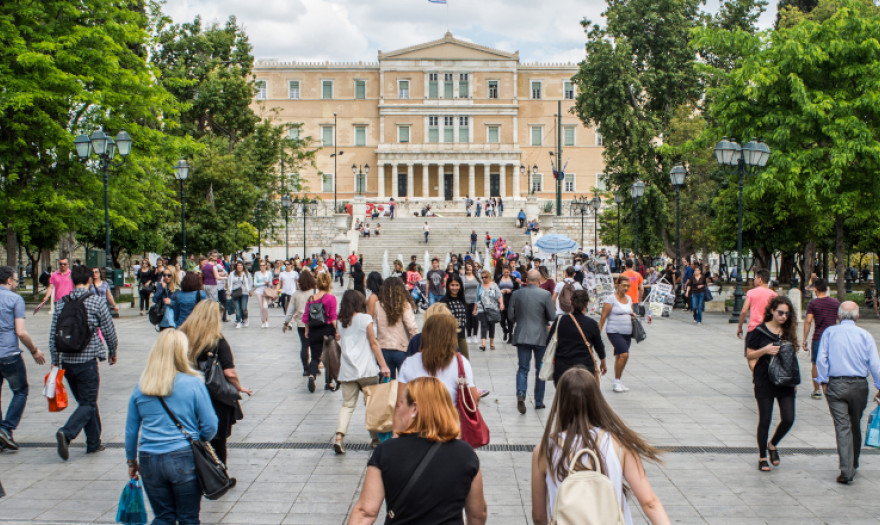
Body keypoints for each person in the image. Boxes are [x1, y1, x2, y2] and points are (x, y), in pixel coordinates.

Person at [531, 369, 670, 525]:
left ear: (560, 402)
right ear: (596, 400)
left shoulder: (544, 450)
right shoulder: (620, 444)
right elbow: (650, 502)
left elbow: (538, 516)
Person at [348, 376, 487, 525]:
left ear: (414, 409)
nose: (399, 409)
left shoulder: (387, 451)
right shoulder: (465, 454)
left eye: (401, 403)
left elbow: (365, 512)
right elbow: (477, 514)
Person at [124, 330, 219, 525]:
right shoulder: (194, 384)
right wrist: (197, 439)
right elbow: (211, 426)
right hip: (183, 456)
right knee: (188, 517)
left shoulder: (142, 386)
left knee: (163, 517)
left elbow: (131, 430)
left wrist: (132, 461)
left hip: (149, 458)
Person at [50, 264, 118, 460]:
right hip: (87, 360)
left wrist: (56, 360)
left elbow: (53, 333)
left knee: (85, 402)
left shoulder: (62, 302)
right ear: (89, 280)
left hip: (67, 362)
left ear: (72, 281)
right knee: (88, 402)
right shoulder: (96, 301)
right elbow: (108, 330)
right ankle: (67, 432)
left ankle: (94, 443)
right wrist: (112, 351)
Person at [815, 301, 880, 484]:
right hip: (859, 385)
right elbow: (874, 364)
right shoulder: (865, 335)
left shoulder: (829, 333)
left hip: (836, 385)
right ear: (858, 317)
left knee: (842, 427)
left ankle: (846, 469)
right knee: (855, 423)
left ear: (839, 316)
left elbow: (821, 359)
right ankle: (854, 462)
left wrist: (823, 380)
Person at [180, 301, 251, 465]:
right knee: (218, 441)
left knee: (192, 437)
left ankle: (199, 471)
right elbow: (229, 372)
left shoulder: (182, 337)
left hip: (188, 394)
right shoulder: (217, 340)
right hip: (215, 396)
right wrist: (238, 387)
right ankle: (219, 474)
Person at [334, 290, 390, 454]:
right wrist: (384, 366)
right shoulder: (365, 319)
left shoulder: (341, 322)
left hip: (347, 371)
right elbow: (373, 343)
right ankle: (375, 439)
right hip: (367, 369)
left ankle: (339, 436)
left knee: (347, 405)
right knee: (371, 406)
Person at [746, 296, 798, 472]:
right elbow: (749, 355)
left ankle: (773, 444)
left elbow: (791, 357)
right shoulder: (758, 332)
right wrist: (765, 350)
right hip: (764, 380)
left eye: (787, 313)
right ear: (771, 311)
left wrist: (793, 378)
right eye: (780, 312)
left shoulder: (788, 331)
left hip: (785, 381)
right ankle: (762, 457)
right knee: (765, 419)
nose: (784, 316)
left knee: (789, 418)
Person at [0, 267, 46, 451]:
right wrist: (34, 350)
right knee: (20, 391)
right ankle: (7, 427)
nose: (17, 282)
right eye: (16, 279)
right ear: (9, 281)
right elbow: (20, 332)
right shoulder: (15, 299)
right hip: (9, 354)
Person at [398, 313, 479, 408]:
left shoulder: (410, 362)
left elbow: (400, 401)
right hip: (449, 419)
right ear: (451, 338)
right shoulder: (460, 363)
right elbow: (473, 398)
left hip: (417, 419)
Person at [508, 270, 556, 414]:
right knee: (540, 369)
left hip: (522, 335)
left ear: (526, 280)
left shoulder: (516, 294)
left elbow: (510, 315)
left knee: (523, 368)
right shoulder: (545, 294)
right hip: (540, 336)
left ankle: (521, 394)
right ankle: (539, 401)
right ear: (539, 280)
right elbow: (552, 316)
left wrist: (521, 320)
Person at [547, 290, 606, 385]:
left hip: (562, 367)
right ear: (587, 303)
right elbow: (599, 346)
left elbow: (549, 342)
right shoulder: (592, 324)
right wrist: (603, 362)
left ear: (570, 302)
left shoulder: (560, 320)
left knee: (563, 398)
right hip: (585, 368)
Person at [802, 278, 840, 400]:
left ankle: (817, 390)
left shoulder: (813, 304)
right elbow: (840, 318)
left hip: (819, 337)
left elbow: (808, 321)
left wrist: (804, 339)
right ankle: (833, 388)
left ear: (816, 289)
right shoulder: (835, 303)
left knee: (815, 363)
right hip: (833, 337)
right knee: (833, 362)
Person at [375, 278, 419, 379]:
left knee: (387, 386)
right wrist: (415, 344)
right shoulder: (404, 305)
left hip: (383, 348)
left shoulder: (377, 305)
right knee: (405, 383)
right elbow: (412, 327)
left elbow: (374, 327)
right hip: (402, 348)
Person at [599, 276, 635, 393]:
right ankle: (616, 382)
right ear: (617, 285)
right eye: (623, 285)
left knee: (619, 356)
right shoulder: (611, 299)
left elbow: (630, 311)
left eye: (628, 286)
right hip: (614, 331)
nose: (626, 288)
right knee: (624, 354)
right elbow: (603, 317)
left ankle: (617, 380)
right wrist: (597, 333)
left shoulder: (629, 299)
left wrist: (632, 315)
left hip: (627, 332)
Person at [303, 272, 338, 392]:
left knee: (315, 356)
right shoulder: (331, 298)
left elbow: (306, 317)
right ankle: (329, 382)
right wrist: (337, 331)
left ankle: (312, 375)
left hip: (314, 330)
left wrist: (307, 330)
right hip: (327, 329)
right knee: (329, 357)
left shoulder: (311, 298)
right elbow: (333, 317)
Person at [737, 269, 778, 360]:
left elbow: (744, 311)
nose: (754, 280)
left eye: (755, 278)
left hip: (754, 328)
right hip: (768, 329)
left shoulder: (751, 293)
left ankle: (756, 373)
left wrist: (740, 327)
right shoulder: (774, 295)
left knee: (751, 356)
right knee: (766, 357)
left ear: (760, 279)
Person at [284, 269, 316, 376]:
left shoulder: (296, 294)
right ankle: (314, 365)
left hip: (301, 323)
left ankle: (306, 369)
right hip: (314, 323)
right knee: (315, 346)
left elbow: (290, 311)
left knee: (304, 346)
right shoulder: (314, 292)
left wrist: (286, 322)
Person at [440, 274, 471, 358]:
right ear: (448, 286)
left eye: (457, 285)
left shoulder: (462, 300)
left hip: (461, 336)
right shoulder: (443, 301)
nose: (455, 288)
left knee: (465, 362)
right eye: (452, 285)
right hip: (448, 338)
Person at [474, 270, 503, 352]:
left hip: (492, 308)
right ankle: (483, 344)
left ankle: (492, 342)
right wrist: (475, 309)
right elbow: (476, 298)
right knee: (483, 324)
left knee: (491, 324)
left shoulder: (494, 285)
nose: (484, 279)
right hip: (481, 308)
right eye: (482, 277)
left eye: (485, 277)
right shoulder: (479, 286)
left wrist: (501, 304)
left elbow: (499, 296)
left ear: (489, 277)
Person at [496, 266, 519, 343]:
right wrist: (500, 291)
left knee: (510, 319)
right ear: (502, 271)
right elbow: (494, 288)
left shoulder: (513, 279)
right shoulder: (499, 278)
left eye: (508, 272)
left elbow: (517, 289)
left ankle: (510, 335)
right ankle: (505, 330)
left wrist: (511, 290)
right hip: (501, 300)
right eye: (505, 272)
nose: (506, 274)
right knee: (501, 319)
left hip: (510, 300)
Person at [152, 266, 179, 330]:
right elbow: (154, 299)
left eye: (169, 275)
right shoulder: (161, 286)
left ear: (173, 275)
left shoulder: (178, 288)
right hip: (163, 320)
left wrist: (171, 302)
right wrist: (162, 289)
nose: (166, 277)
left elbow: (180, 305)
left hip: (173, 321)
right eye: (164, 275)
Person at [226, 261, 251, 328]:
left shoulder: (245, 274)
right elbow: (230, 283)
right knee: (237, 307)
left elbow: (247, 283)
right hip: (235, 292)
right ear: (236, 267)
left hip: (244, 292)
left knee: (244, 307)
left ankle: (245, 319)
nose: (239, 267)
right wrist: (229, 291)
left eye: (241, 265)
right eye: (238, 265)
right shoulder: (232, 274)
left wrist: (249, 291)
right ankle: (238, 321)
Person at [462, 261, 480, 344]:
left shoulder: (477, 276)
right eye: (467, 266)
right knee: (468, 319)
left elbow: (481, 287)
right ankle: (468, 335)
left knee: (475, 318)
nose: (468, 268)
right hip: (466, 301)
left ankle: (475, 335)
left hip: (476, 301)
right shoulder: (462, 278)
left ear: (472, 267)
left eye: (470, 266)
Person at [253, 259, 274, 328]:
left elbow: (271, 283)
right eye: (260, 265)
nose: (262, 267)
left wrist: (268, 283)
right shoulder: (257, 273)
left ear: (265, 266)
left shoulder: (269, 273)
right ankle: (263, 321)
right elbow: (255, 284)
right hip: (259, 291)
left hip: (266, 291)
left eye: (263, 265)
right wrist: (263, 283)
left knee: (265, 307)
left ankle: (267, 320)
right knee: (261, 307)